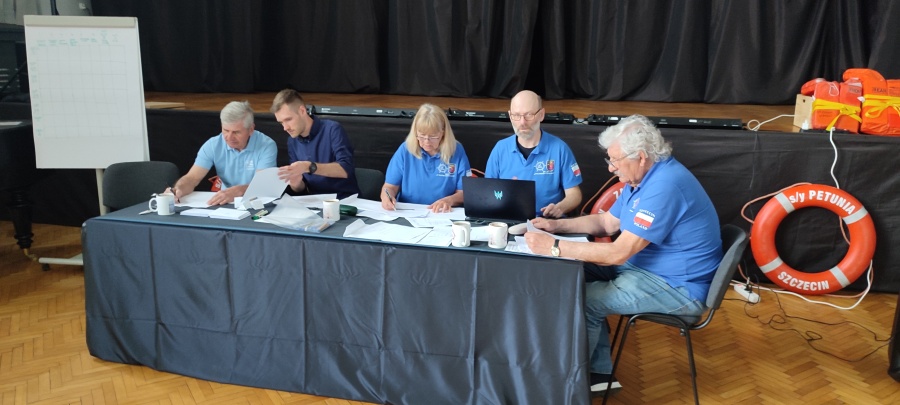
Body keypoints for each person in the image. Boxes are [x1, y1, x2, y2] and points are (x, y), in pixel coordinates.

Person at [523, 114, 723, 394]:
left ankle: (571, 387)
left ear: (640, 157)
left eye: (615, 160)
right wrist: (557, 226)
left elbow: (618, 252)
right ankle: (598, 375)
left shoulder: (665, 186)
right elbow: (606, 223)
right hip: (644, 269)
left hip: (678, 288)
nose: (610, 167)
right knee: (569, 274)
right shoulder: (643, 178)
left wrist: (554, 246)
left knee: (583, 301)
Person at [484, 90, 582, 218]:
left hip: (548, 221)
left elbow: (574, 194)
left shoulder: (559, 149)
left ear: (541, 115)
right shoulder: (500, 148)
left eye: (529, 115)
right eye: (516, 115)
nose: (522, 122)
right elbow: (487, 192)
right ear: (510, 116)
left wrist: (560, 208)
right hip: (509, 219)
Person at [169, 101, 276, 206]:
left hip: (257, 201)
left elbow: (262, 185)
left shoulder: (266, 145)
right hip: (225, 201)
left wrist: (239, 191)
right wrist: (178, 189)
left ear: (251, 129)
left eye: (236, 132)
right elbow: (192, 178)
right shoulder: (213, 145)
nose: (229, 137)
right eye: (226, 130)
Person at [380, 103, 471, 213]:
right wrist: (387, 197)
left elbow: (464, 192)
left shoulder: (456, 150)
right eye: (422, 136)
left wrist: (449, 200)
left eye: (433, 136)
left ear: (443, 133)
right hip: (408, 212)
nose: (427, 141)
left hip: (441, 213)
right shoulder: (405, 149)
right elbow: (390, 187)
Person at [271, 89, 360, 199]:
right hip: (314, 201)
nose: (285, 128)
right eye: (281, 122)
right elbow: (302, 189)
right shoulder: (292, 141)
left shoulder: (332, 129)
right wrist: (296, 183)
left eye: (288, 119)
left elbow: (346, 169)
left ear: (302, 111)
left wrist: (308, 166)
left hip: (343, 200)